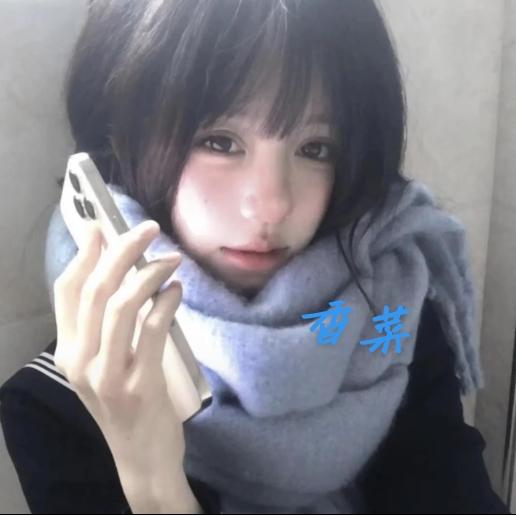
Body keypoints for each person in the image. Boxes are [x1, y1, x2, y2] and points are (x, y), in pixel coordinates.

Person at [0, 0, 509, 513]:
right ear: (120, 138)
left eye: (315, 148)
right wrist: (150, 480)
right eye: (219, 142)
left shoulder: (390, 314)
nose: (272, 204)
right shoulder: (57, 406)